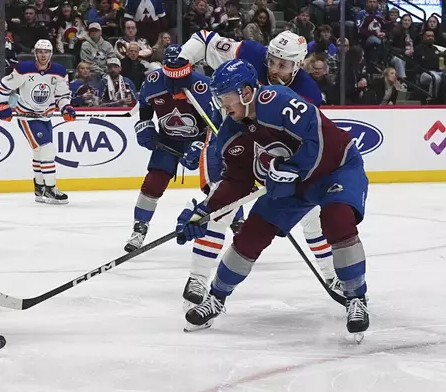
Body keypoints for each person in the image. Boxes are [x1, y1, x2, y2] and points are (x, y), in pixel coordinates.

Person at [176, 59, 369, 340]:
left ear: (244, 92)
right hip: (290, 188)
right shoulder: (230, 133)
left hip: (336, 168)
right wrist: (205, 211)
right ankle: (216, 297)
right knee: (249, 236)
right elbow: (236, 182)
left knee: (337, 221)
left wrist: (294, 168)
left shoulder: (278, 101)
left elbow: (320, 138)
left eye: (224, 97)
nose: (222, 105)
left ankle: (356, 299)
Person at [164, 29, 341, 308]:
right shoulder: (249, 53)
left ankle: (333, 276)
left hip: (272, 152)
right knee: (219, 210)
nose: (273, 69)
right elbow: (203, 38)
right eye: (272, 61)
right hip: (229, 142)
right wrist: (182, 61)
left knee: (313, 212)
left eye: (283, 65)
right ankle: (198, 278)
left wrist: (284, 172)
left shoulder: (309, 94)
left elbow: (305, 141)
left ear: (298, 64)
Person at [123, 45, 222, 254]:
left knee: (217, 184)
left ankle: (237, 222)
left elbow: (215, 125)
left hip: (199, 140)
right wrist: (145, 126)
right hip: (167, 140)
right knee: (153, 182)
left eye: (181, 76)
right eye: (171, 75)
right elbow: (145, 109)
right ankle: (139, 228)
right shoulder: (153, 82)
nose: (176, 84)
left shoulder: (203, 87)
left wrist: (200, 144)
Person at [0, 39, 76, 204]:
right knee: (47, 149)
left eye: (46, 52)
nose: (43, 55)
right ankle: (50, 189)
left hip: (45, 116)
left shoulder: (59, 72)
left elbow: (62, 96)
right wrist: (2, 105)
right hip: (27, 117)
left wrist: (66, 108)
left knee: (40, 152)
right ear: (35, 53)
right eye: (40, 51)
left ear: (51, 53)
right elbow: (4, 86)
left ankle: (39, 187)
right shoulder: (24, 69)